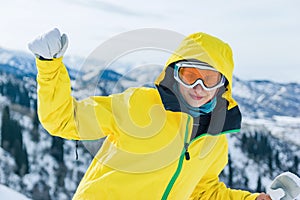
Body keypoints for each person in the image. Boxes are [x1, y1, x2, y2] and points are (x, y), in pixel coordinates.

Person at [28, 28, 271, 200]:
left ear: (222, 87)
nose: (199, 87)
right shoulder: (139, 105)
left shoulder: (216, 140)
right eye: (190, 75)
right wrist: (49, 66)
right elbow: (65, 119)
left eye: (209, 79)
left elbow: (202, 192)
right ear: (174, 73)